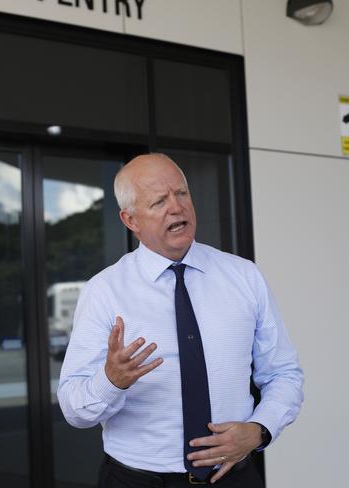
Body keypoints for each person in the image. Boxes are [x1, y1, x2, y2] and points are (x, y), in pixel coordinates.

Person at [57, 153, 303, 487]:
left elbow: (284, 374)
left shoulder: (244, 276)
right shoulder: (104, 291)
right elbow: (74, 409)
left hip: (234, 477)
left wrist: (260, 430)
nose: (176, 207)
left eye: (182, 194)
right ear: (131, 220)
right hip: (138, 480)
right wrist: (110, 380)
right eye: (159, 201)